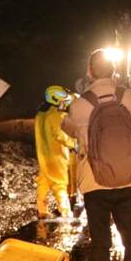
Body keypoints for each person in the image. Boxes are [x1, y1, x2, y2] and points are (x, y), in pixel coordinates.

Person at [63, 49, 131, 261]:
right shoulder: (130, 97)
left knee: (100, 240)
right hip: (129, 179)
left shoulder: (80, 104)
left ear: (89, 71)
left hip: (94, 183)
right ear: (113, 71)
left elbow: (66, 128)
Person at [34, 85, 77, 218]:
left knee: (43, 185)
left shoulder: (40, 115)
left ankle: (41, 212)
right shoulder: (55, 115)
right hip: (57, 157)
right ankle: (66, 216)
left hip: (43, 158)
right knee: (60, 187)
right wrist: (74, 144)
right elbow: (59, 135)